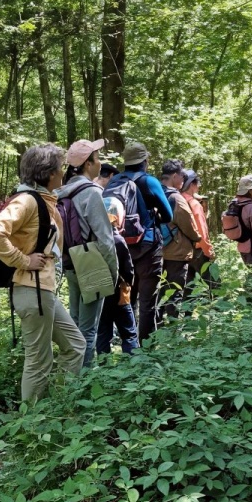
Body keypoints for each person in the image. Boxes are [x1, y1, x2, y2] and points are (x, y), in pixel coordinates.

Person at [0, 143, 86, 403]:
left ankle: (58, 406)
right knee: (39, 360)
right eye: (60, 168)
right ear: (49, 173)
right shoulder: (27, 200)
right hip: (32, 290)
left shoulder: (43, 200)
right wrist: (23, 260)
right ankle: (31, 420)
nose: (63, 172)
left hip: (42, 291)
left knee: (75, 345)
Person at [56, 139, 118, 367]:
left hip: (71, 261)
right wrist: (113, 272)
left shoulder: (61, 192)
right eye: (97, 158)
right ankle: (83, 380)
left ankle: (69, 375)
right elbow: (105, 238)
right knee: (88, 330)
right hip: (91, 262)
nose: (100, 162)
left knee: (75, 323)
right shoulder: (91, 193)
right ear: (87, 164)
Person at [105, 142, 173, 341]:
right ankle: (146, 347)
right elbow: (168, 216)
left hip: (120, 247)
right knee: (148, 302)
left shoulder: (114, 181)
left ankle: (129, 344)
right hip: (148, 248)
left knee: (127, 298)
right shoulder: (149, 181)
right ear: (145, 160)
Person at [159, 159, 202, 317]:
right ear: (174, 176)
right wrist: (197, 238)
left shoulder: (154, 192)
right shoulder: (176, 198)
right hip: (176, 252)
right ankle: (173, 326)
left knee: (158, 292)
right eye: (182, 176)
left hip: (156, 249)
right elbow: (188, 224)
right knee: (175, 291)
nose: (183, 180)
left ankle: (157, 325)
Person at [97, 197, 139, 355]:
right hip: (119, 293)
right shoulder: (118, 241)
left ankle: (103, 365)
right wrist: (129, 283)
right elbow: (128, 270)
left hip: (100, 292)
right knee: (129, 333)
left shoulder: (94, 239)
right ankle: (132, 363)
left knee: (103, 332)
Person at [181, 170, 217, 292]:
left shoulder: (177, 199)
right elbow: (201, 231)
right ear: (192, 184)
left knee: (188, 286)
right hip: (198, 250)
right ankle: (219, 303)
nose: (199, 186)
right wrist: (208, 250)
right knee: (213, 283)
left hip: (181, 250)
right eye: (198, 183)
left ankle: (188, 306)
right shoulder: (194, 204)